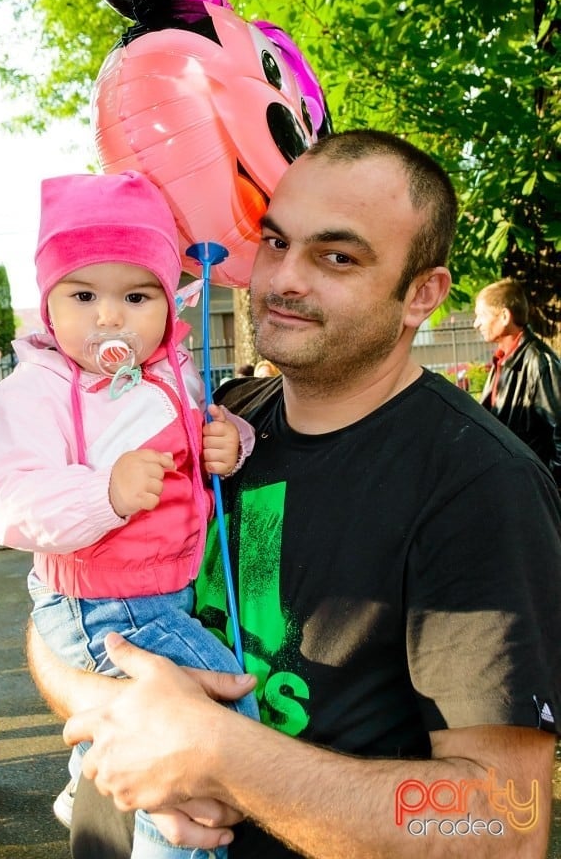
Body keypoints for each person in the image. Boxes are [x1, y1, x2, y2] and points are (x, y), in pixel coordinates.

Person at [28, 131, 561, 859]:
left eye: (337, 257)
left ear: (423, 295)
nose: (283, 280)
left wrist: (221, 757)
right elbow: (56, 614)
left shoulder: (477, 483)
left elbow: (503, 822)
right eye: (276, 243)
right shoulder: (211, 421)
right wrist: (122, 710)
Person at [0, 170, 258, 857]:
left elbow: (200, 435)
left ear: (169, 300)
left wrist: (233, 444)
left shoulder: (171, 371)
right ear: (49, 304)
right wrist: (103, 492)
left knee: (182, 732)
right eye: (83, 295)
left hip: (157, 592)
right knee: (224, 723)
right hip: (108, 604)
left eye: (136, 295)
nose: (109, 317)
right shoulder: (37, 389)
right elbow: (5, 500)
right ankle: (167, 840)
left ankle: (92, 776)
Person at [474, 277, 561, 488]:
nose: (476, 324)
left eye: (482, 315)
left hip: (531, 490)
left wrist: (547, 485)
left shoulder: (540, 362)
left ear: (504, 316)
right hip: (512, 486)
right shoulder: (502, 361)